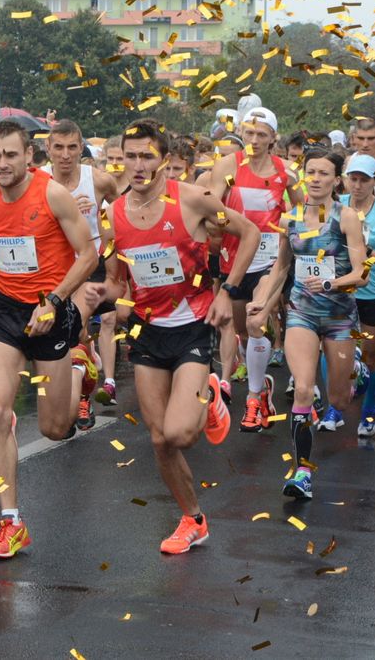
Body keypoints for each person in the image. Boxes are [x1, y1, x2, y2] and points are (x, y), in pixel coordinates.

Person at [86, 118, 256, 554]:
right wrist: (99, 294)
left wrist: (230, 291)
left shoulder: (195, 200)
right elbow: (118, 281)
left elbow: (250, 233)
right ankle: (192, 519)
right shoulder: (113, 215)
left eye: (147, 156)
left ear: (164, 160)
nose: (138, 166)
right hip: (146, 332)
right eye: (130, 157)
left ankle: (213, 393)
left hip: (193, 327)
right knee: (160, 439)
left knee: (180, 434)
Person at [0, 119, 96, 558]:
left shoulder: (52, 194)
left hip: (51, 309)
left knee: (54, 428)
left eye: (12, 154)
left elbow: (88, 254)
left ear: (29, 155)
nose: (3, 163)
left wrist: (55, 300)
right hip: (6, 312)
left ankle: (79, 368)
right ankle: (10, 521)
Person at [248, 147, 368, 499]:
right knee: (302, 389)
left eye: (323, 174)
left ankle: (355, 370)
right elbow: (282, 267)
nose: (315, 179)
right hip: (300, 311)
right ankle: (302, 472)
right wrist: (263, 302)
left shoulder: (346, 218)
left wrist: (332, 282)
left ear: (336, 179)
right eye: (310, 172)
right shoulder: (290, 219)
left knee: (340, 401)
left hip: (338, 316)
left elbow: (362, 272)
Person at [203, 107, 302, 432]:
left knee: (258, 320)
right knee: (242, 329)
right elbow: (212, 208)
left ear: (273, 137)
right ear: (242, 133)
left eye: (262, 134)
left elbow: (306, 209)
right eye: (250, 133)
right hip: (236, 258)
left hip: (271, 261)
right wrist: (229, 226)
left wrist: (293, 224)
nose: (255, 140)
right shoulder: (228, 166)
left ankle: (254, 397)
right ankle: (264, 384)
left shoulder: (285, 171)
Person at [46, 119, 120, 419]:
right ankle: (86, 361)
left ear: (81, 149)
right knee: (66, 333)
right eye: (59, 147)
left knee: (76, 327)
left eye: (72, 147)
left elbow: (122, 216)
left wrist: (121, 269)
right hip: (53, 266)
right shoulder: (37, 180)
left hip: (92, 264)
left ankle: (84, 396)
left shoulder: (99, 181)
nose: (65, 154)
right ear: (47, 149)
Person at [340, 155, 375, 437]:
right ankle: (335, 407)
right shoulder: (337, 205)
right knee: (338, 350)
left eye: (364, 180)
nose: (358, 185)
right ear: (346, 179)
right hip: (343, 290)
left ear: (374, 181)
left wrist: (367, 251)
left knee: (370, 356)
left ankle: (369, 407)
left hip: (374, 292)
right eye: (354, 179)